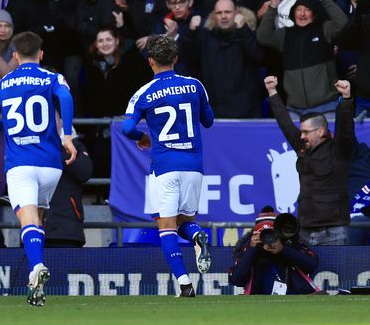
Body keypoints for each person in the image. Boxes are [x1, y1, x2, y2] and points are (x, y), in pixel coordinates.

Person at [0, 31, 78, 306]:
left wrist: (4, 124)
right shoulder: (52, 78)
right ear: (41, 54)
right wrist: (66, 135)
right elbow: (66, 99)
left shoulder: (2, 84)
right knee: (39, 218)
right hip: (51, 165)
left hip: (21, 164)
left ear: (15, 55)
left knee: (28, 218)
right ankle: (37, 278)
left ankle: (36, 268)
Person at [120, 35, 215, 298]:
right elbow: (209, 121)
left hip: (164, 166)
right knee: (186, 221)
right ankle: (197, 236)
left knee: (166, 226)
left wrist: (143, 138)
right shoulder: (195, 86)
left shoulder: (143, 93)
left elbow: (127, 128)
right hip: (193, 166)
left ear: (150, 62)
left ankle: (184, 283)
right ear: (176, 59)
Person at [265, 77, 355, 246]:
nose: (301, 136)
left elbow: (346, 128)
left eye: (306, 132)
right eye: (301, 132)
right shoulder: (303, 147)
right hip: (305, 229)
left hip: (333, 231)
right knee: (304, 273)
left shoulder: (339, 150)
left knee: (337, 273)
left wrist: (346, 99)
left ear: (321, 131)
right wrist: (272, 92)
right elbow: (285, 123)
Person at [228, 208, 320, 294]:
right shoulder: (248, 249)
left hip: (294, 298)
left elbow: (312, 264)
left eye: (271, 232)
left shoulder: (291, 245)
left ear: (280, 231)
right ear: (255, 233)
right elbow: (236, 280)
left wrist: (283, 249)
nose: (268, 237)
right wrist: (252, 248)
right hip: (259, 303)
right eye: (264, 233)